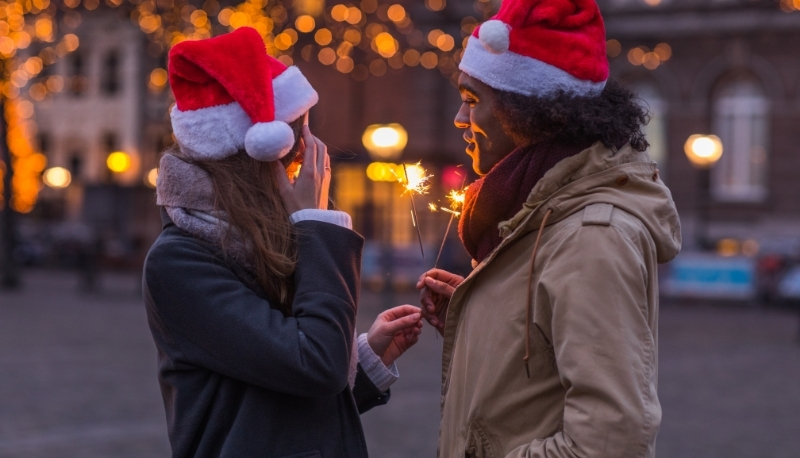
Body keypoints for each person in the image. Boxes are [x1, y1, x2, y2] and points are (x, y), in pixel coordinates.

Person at [416, 1, 682, 456]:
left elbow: (610, 440)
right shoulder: (540, 214)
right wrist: (485, 312)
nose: (460, 118)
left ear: (527, 112)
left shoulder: (590, 236)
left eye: (473, 99)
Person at [143, 28, 422, 458]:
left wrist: (364, 361)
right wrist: (317, 225)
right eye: (298, 144)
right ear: (261, 154)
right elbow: (315, 364)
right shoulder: (181, 260)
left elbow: (279, 406)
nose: (308, 158)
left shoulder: (266, 236)